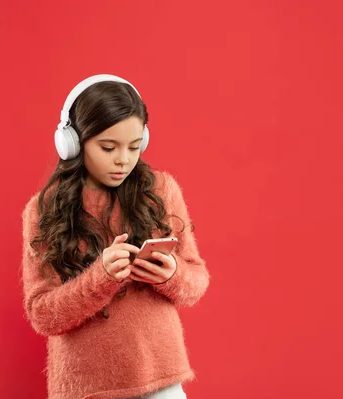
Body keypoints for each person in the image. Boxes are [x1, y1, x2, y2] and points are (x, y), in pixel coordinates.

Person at [20, 74, 210, 399]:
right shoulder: (44, 209)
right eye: (108, 147)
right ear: (74, 143)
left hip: (161, 380)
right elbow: (42, 315)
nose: (123, 158)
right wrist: (101, 278)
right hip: (86, 388)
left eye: (134, 146)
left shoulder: (161, 191)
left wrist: (172, 274)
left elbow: (196, 278)